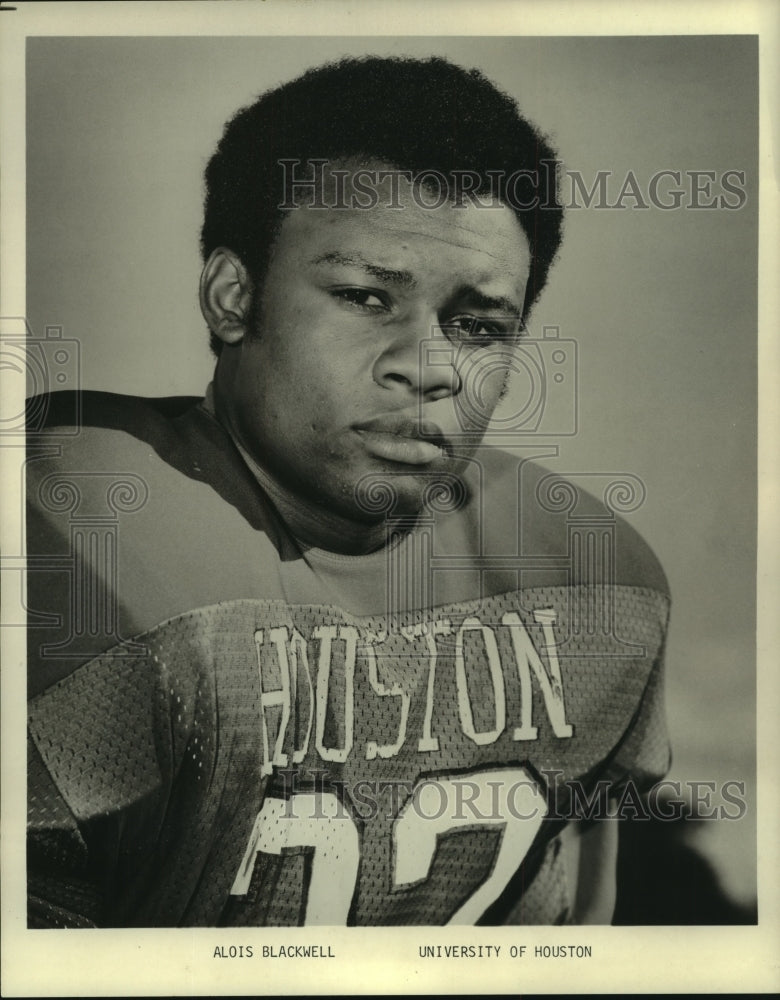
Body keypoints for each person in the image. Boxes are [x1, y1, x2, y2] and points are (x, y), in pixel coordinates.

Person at [26, 56, 671, 927]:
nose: (430, 366)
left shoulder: (595, 586)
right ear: (232, 295)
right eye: (367, 297)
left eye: (478, 325)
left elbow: (569, 949)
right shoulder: (64, 523)